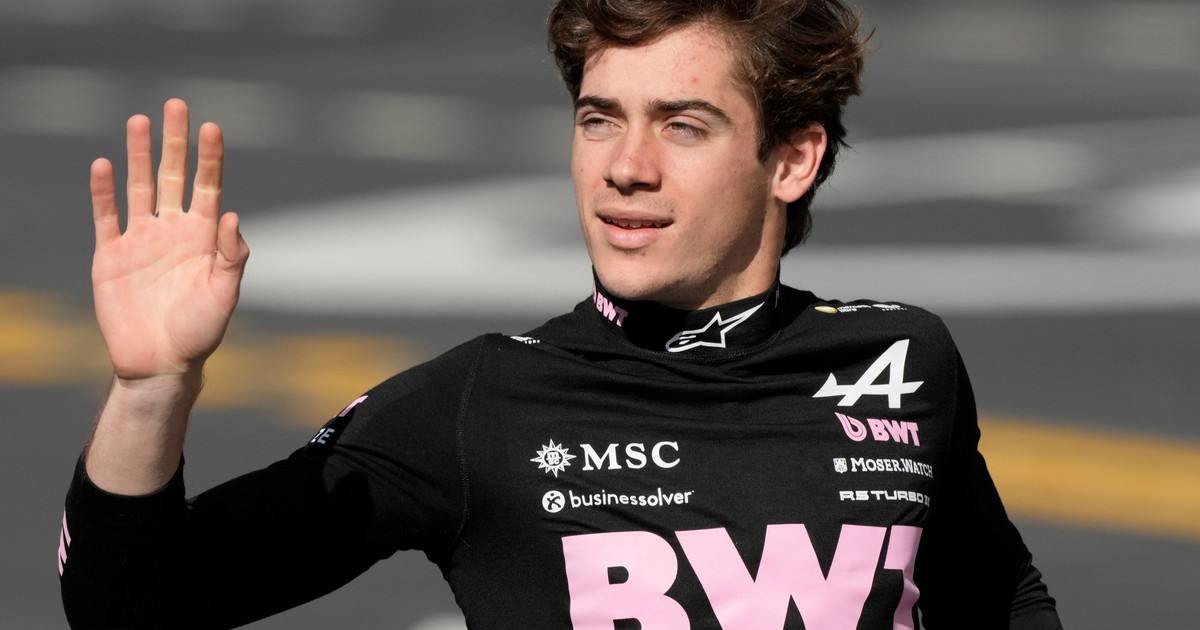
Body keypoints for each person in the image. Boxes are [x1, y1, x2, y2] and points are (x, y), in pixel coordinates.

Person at [60, 0, 1062, 628]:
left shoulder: (903, 359)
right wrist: (152, 389)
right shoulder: (479, 403)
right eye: (599, 119)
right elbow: (130, 604)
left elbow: (1002, 601)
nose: (626, 167)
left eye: (683, 125)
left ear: (793, 159)